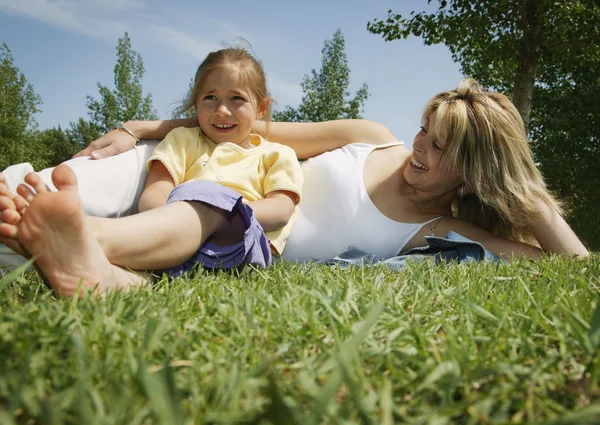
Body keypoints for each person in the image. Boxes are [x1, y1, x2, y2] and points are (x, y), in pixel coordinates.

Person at [0, 79, 588, 298]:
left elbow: (571, 264)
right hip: (183, 164)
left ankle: (80, 243)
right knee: (25, 188)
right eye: (423, 131)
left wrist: (526, 195)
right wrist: (137, 129)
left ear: (475, 173)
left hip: (227, 233)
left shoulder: (442, 230)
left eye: (440, 149)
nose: (418, 149)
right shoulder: (367, 135)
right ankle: (76, 246)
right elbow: (239, 125)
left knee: (218, 208)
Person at [0, 47, 304, 296]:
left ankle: (85, 234)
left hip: (239, 247)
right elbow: (154, 193)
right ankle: (99, 277)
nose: (221, 110)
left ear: (261, 108)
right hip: (173, 245)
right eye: (210, 98)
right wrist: (170, 227)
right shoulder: (181, 141)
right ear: (195, 104)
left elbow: (280, 209)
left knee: (211, 201)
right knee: (148, 279)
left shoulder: (275, 153)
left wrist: (217, 211)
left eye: (236, 99)